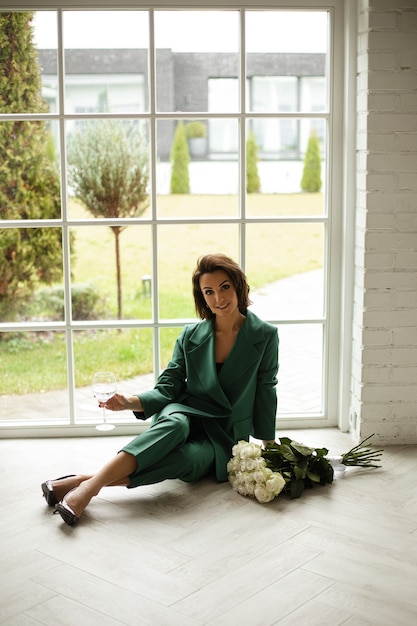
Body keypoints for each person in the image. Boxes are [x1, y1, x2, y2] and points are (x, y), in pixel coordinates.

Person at [42, 253, 279, 526]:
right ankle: (86, 492)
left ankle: (81, 482)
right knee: (176, 426)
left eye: (225, 287)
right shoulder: (191, 335)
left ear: (239, 285)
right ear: (201, 296)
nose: (218, 298)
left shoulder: (265, 335)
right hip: (186, 411)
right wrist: (129, 402)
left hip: (225, 432)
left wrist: (269, 448)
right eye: (209, 291)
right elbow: (169, 386)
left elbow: (266, 390)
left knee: (186, 461)